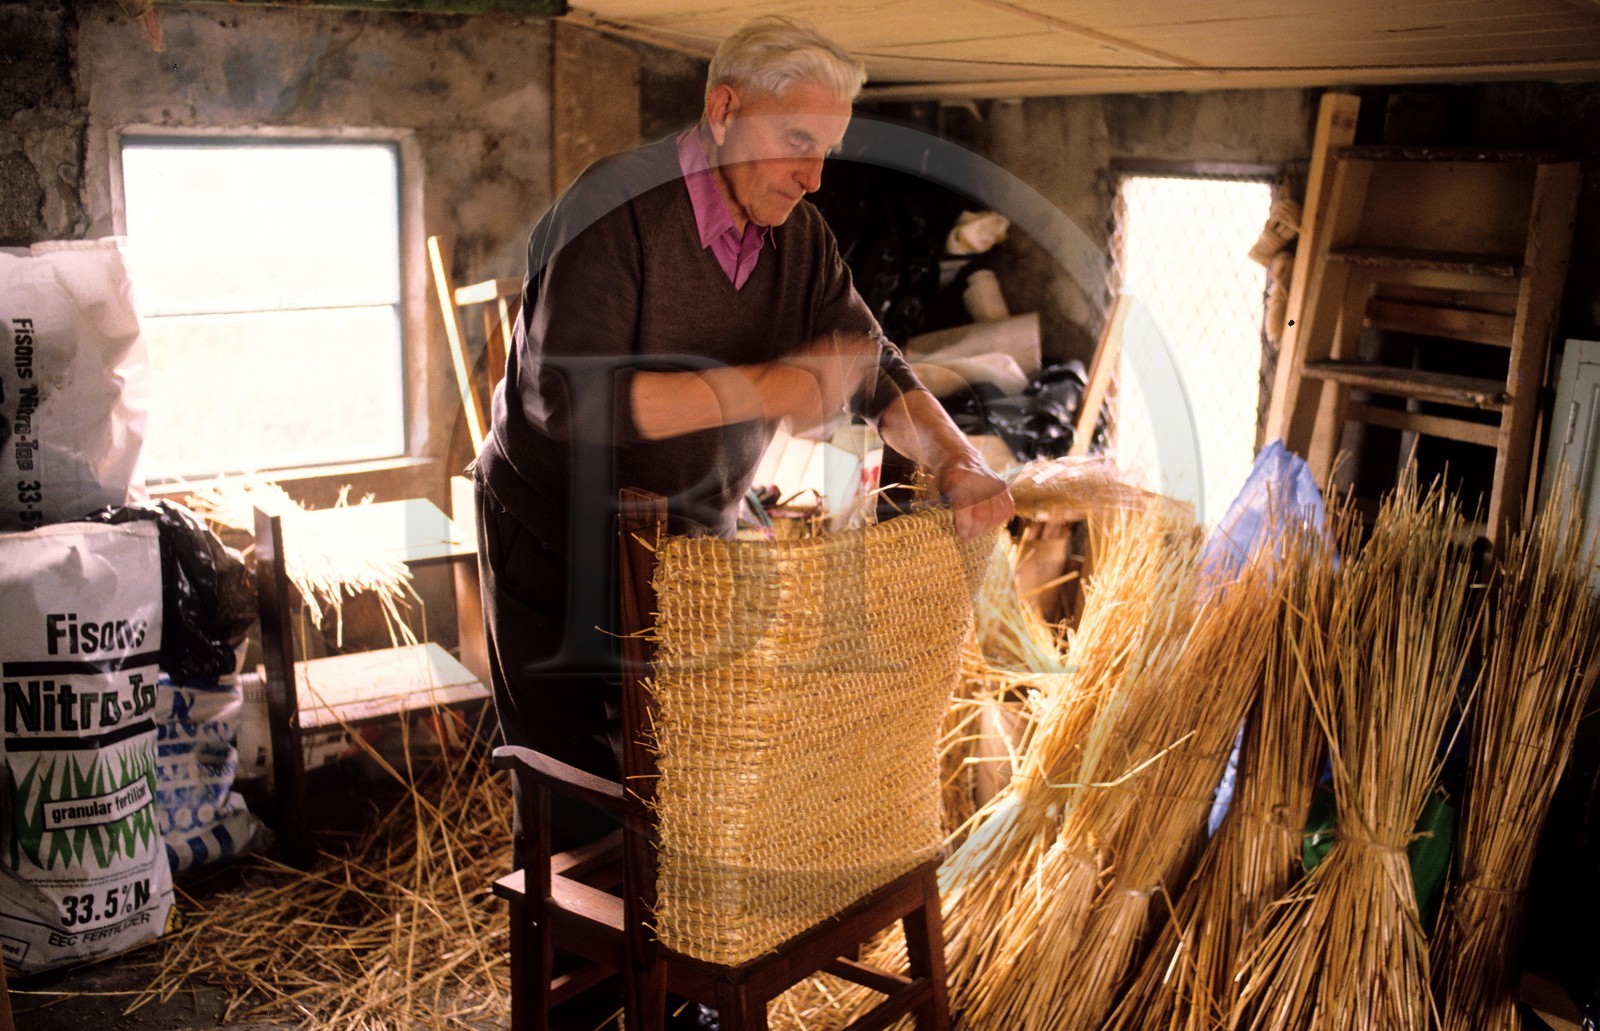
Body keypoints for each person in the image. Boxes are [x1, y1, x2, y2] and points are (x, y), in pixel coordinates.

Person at [472, 20, 1012, 1018]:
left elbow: (871, 360)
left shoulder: (795, 236)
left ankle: (674, 988)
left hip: (689, 547)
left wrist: (961, 462)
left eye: (828, 151)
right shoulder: (615, 209)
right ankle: (587, 1006)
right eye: (798, 141)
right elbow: (572, 403)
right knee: (583, 787)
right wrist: (766, 383)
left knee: (685, 785)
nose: (814, 177)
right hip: (553, 537)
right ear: (724, 110)